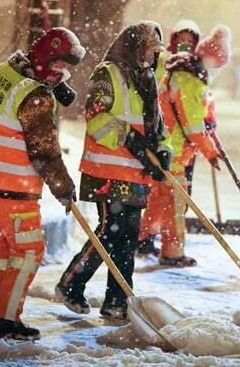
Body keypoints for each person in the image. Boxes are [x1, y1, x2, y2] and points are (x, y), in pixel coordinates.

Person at [0, 27, 86, 341]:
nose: (62, 71)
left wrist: (54, 86)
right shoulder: (35, 97)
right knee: (29, 251)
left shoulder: (8, 72)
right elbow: (44, 151)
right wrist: (63, 187)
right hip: (13, 186)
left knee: (2, 255)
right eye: (59, 65)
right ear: (47, 59)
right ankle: (6, 321)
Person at [56, 21, 172, 321]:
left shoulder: (147, 81)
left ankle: (117, 300)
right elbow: (96, 118)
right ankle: (71, 283)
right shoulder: (108, 74)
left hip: (135, 174)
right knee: (110, 232)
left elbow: (158, 125)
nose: (152, 56)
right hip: (107, 171)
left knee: (128, 236)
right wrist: (130, 139)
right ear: (135, 47)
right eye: (149, 50)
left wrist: (163, 151)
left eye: (155, 51)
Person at [138, 23, 232, 266]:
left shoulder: (181, 73)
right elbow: (192, 126)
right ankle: (172, 253)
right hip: (174, 150)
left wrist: (208, 123)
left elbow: (195, 116)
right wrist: (211, 151)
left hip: (164, 146)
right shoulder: (189, 79)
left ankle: (141, 238)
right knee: (175, 204)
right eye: (217, 66)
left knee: (160, 198)